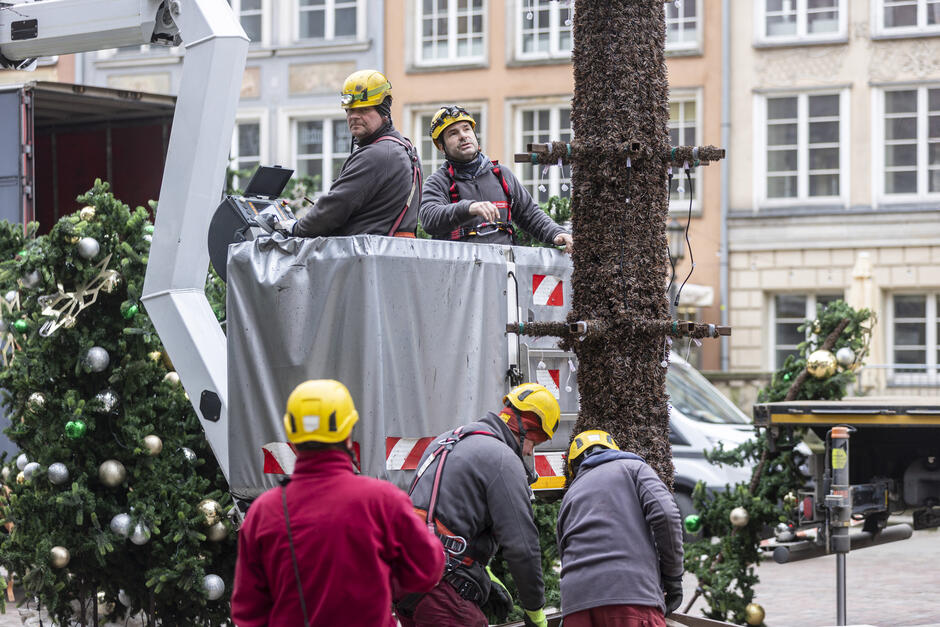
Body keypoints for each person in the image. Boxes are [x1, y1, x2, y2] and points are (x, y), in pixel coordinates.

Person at [231, 379, 445, 627]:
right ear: (347, 430)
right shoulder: (384, 501)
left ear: (292, 433)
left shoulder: (263, 513)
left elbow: (248, 611)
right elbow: (427, 571)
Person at [397, 383, 559, 627]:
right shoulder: (502, 458)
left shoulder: (445, 441)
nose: (529, 452)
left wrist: (483, 575)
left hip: (403, 580)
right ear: (528, 429)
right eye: (534, 444)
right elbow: (522, 548)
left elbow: (443, 520)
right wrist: (535, 613)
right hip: (439, 587)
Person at [556, 430, 685, 627]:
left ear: (573, 467)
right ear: (613, 450)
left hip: (576, 606)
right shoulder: (634, 468)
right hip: (630, 599)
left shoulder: (570, 496)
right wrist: (673, 577)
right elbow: (666, 514)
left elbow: (564, 552)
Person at [285, 70, 422, 238]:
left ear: (384, 111)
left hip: (364, 257)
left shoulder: (377, 155)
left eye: (363, 110)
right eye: (350, 110)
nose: (354, 116)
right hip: (392, 252)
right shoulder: (405, 148)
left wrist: (294, 228)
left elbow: (335, 208)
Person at [419, 105, 573, 253]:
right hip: (459, 273)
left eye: (467, 129)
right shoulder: (438, 182)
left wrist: (556, 233)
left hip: (504, 271)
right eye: (453, 133)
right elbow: (429, 218)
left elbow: (530, 214)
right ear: (441, 146)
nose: (463, 136)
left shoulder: (501, 175)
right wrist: (468, 208)